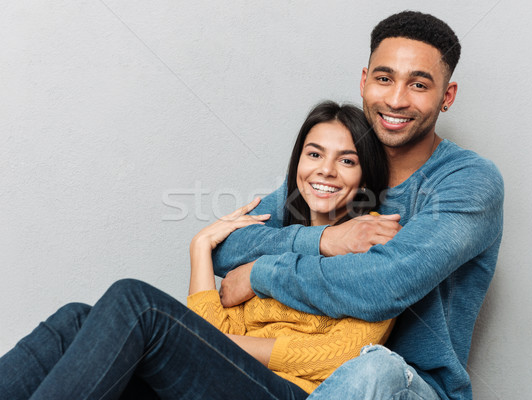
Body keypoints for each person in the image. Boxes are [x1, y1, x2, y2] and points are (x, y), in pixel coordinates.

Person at [0, 101, 393, 399]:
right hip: (234, 377)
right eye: (314, 154)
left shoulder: (378, 243)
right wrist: (200, 247)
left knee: (137, 303)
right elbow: (216, 329)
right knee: (75, 320)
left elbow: (339, 356)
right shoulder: (275, 237)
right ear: (297, 164)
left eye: (346, 160)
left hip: (289, 392)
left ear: (365, 175)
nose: (325, 170)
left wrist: (221, 346)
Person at [215, 11, 504, 400]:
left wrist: (260, 273)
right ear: (364, 81)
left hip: (406, 385)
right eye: (384, 79)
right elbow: (228, 245)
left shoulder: (468, 181)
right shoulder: (337, 169)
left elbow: (385, 283)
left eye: (419, 84)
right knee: (146, 327)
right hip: (305, 379)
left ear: (446, 97)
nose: (397, 100)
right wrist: (325, 240)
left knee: (374, 366)